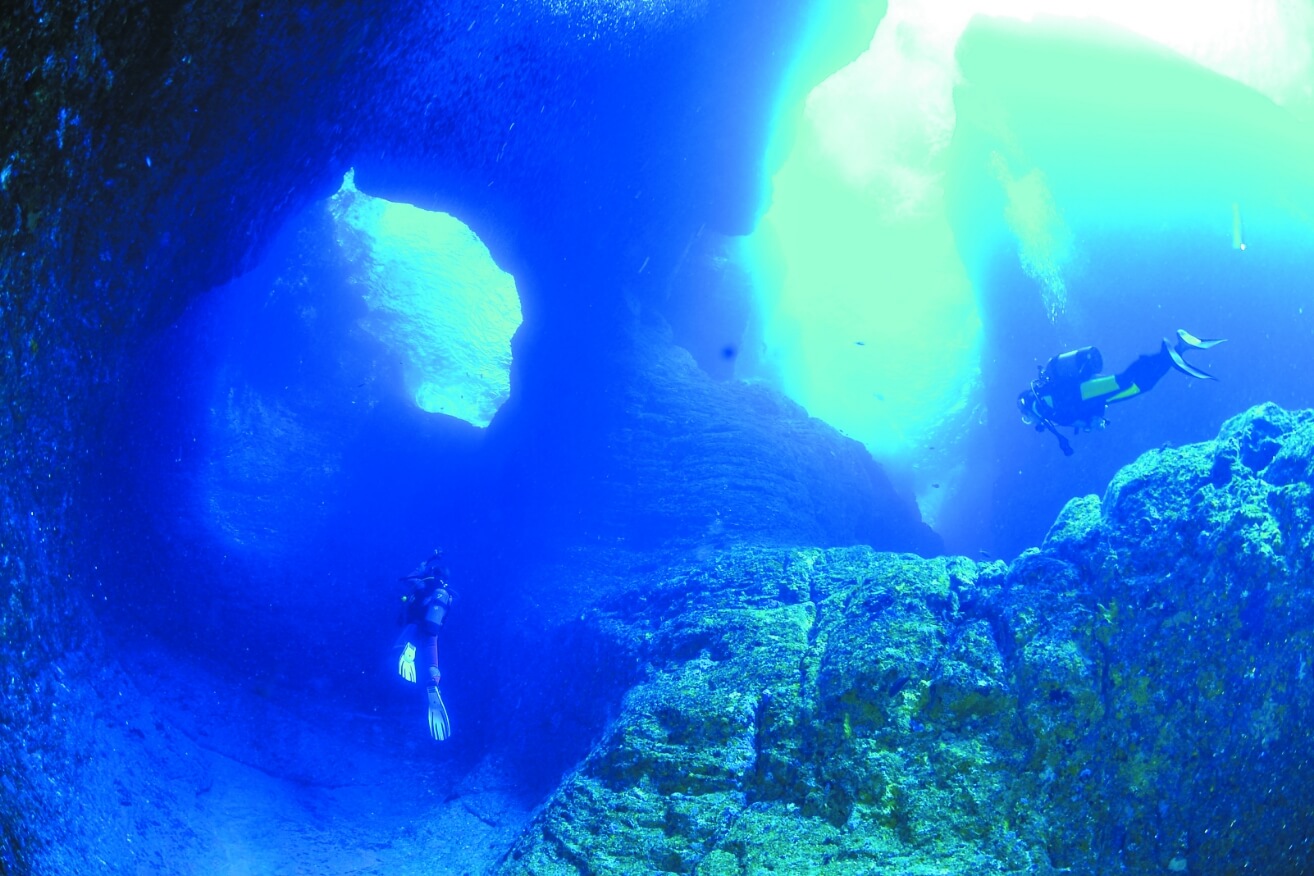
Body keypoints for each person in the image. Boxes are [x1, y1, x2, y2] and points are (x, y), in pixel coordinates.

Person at [1017, 329, 1225, 456]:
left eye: (1027, 419)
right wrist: (1095, 420)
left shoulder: (1040, 405)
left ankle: (1167, 353)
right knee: (1138, 386)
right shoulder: (1044, 406)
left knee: (1125, 380)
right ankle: (1176, 351)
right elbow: (1077, 417)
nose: (1031, 422)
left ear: (1027, 411)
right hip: (1090, 395)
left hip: (1085, 392)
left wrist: (1091, 421)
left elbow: (1070, 412)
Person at [395, 549, 454, 741]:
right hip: (433, 632)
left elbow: (407, 579)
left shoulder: (423, 584)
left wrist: (422, 568)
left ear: (433, 573)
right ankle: (434, 681)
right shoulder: (446, 595)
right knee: (431, 657)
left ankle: (408, 651)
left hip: (415, 626)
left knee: (404, 644)